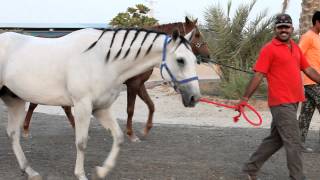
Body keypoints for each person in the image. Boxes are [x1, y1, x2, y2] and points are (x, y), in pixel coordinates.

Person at [239, 13, 320, 180]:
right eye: (280, 27)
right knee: (294, 140)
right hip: (280, 102)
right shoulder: (269, 49)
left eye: (287, 27)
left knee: (276, 140)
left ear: (291, 29)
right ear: (275, 29)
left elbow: (308, 70)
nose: (284, 30)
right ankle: (297, 177)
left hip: (293, 101)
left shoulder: (295, 47)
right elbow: (258, 75)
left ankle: (250, 168)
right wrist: (245, 98)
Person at [298, 11, 320, 153]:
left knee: (306, 114)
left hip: (312, 82)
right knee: (305, 114)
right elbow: (297, 56)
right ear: (317, 22)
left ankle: (297, 145)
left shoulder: (317, 37)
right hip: (312, 81)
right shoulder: (308, 37)